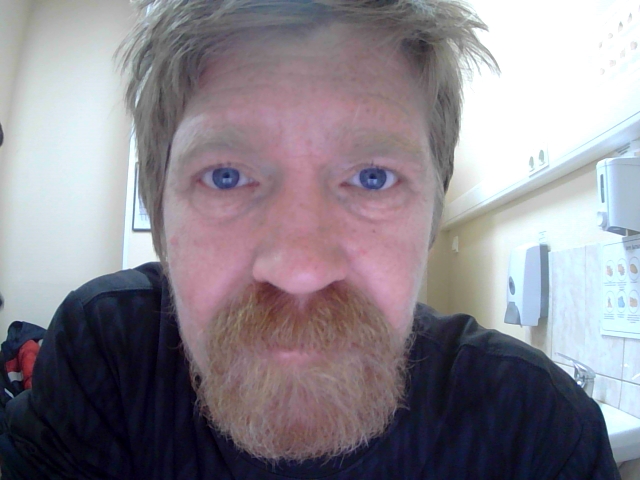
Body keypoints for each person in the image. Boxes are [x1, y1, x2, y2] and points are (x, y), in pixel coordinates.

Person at [0, 1, 620, 478]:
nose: (300, 269)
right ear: (160, 216)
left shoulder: (534, 428)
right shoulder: (106, 355)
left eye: (372, 178)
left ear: (433, 213)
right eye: (226, 176)